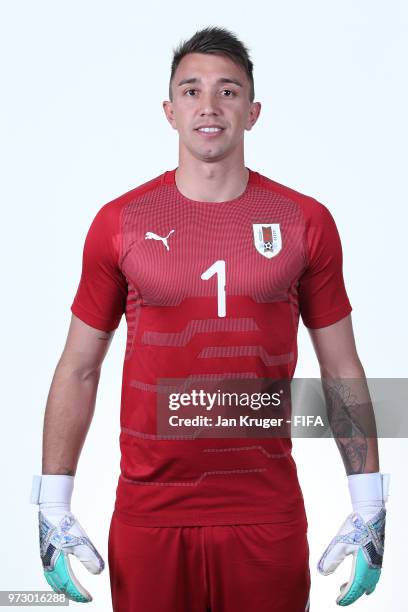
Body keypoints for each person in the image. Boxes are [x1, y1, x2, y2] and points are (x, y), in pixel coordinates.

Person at [30, 26, 389, 611]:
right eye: (192, 91)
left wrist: (370, 503)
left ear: (253, 111)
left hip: (265, 515)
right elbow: (79, 369)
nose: (209, 106)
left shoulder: (305, 222)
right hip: (150, 518)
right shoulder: (119, 222)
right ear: (170, 112)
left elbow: (341, 368)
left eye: (228, 91)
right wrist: (52, 504)